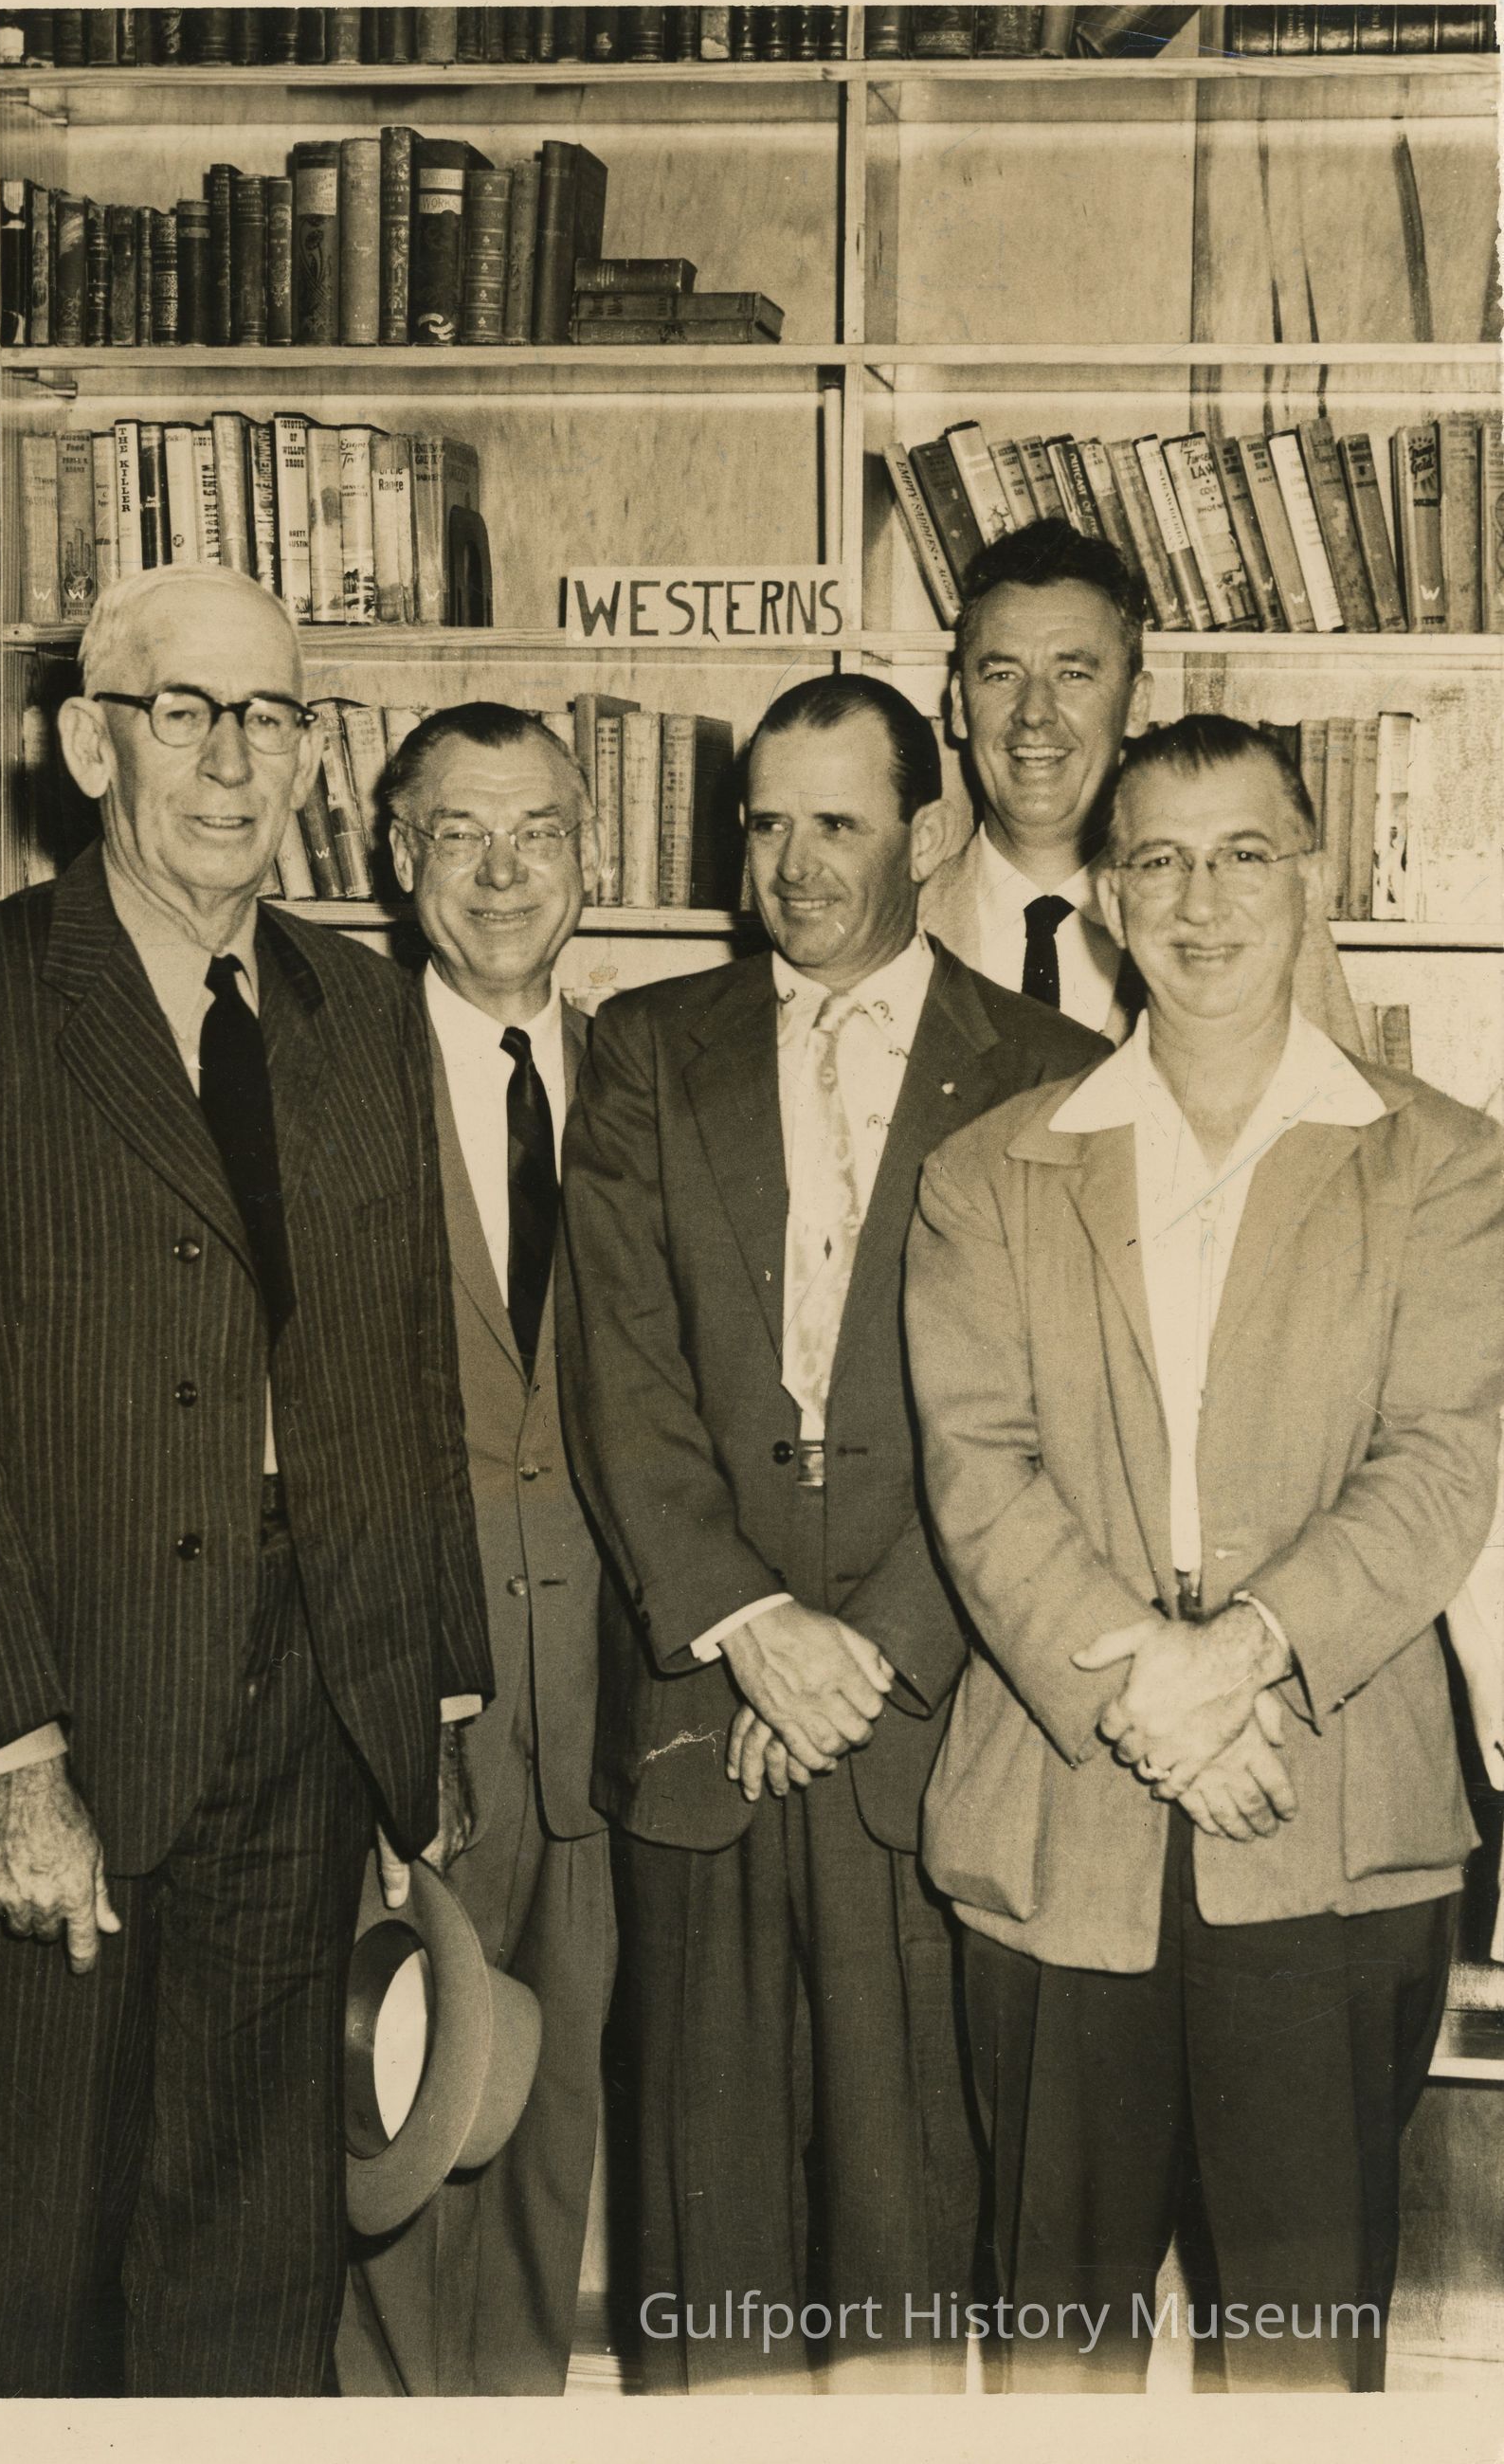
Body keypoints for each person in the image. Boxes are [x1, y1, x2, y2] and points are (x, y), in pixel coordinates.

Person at [0, 563, 491, 2399]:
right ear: (85, 743)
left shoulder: (358, 1008)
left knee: (252, 2272)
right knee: (18, 2288)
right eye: (184, 713)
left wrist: (425, 1700)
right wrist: (10, 1761)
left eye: (268, 717)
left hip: (305, 1708)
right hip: (51, 1715)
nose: (230, 761)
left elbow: (400, 1375)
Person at [907, 714, 1504, 2392]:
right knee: (1054, 2350)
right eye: (1155, 861)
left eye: (1243, 854)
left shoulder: (1442, 1161)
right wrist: (1147, 1699)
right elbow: (977, 1469)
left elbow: (1437, 1460)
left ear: (1308, 878)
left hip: (1326, 1812)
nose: (1199, 899)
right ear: (1103, 898)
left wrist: (1233, 1657)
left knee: (1299, 2358)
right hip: (1056, 1820)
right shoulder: (988, 1169)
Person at [558, 675, 1104, 2390]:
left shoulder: (1051, 1071)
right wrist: (745, 1621)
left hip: (921, 1714)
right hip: (701, 1708)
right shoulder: (645, 1047)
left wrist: (873, 1652)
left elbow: (1053, 1416)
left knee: (909, 2215)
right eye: (764, 824)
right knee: (697, 2236)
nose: (791, 865)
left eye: (836, 825)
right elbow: (616, 1364)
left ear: (925, 833)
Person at [335, 704, 616, 2399]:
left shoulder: (644, 1072)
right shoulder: (319, 1073)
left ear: (591, 853)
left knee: (541, 2121)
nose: (502, 873)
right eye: (459, 832)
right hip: (395, 1699)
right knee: (385, 2115)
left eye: (538, 832)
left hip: (598, 1714)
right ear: (396, 857)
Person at [922, 519, 1359, 1046]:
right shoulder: (897, 927)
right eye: (1002, 675)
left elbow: (1340, 1099)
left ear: (1137, 705)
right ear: (959, 705)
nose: (1034, 713)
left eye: (1073, 674)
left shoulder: (1257, 925)